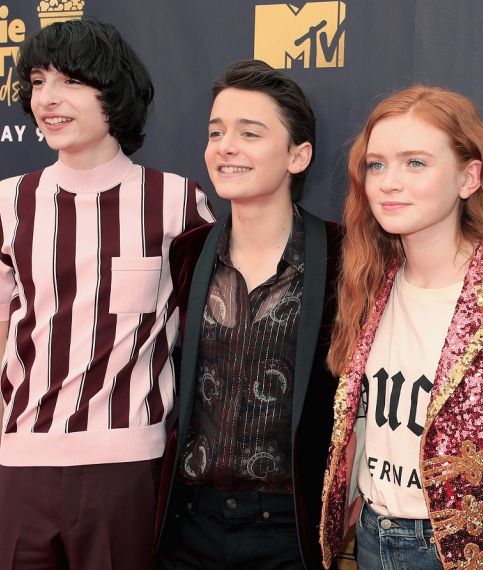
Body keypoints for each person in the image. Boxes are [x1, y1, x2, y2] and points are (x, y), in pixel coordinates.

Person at [0, 20, 212, 570]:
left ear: (115, 94)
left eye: (71, 82)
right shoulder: (5, 203)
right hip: (22, 470)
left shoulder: (177, 203)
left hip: (128, 471)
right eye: (37, 81)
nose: (48, 98)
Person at [318, 86, 483, 569]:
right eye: (377, 164)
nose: (389, 182)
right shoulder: (369, 278)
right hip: (371, 533)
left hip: (464, 552)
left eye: (415, 163)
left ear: (469, 177)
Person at [155, 60, 342, 570]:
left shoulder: (344, 256)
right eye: (216, 132)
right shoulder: (188, 254)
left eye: (249, 133)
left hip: (288, 529)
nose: (225, 146)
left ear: (297, 155)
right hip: (190, 523)